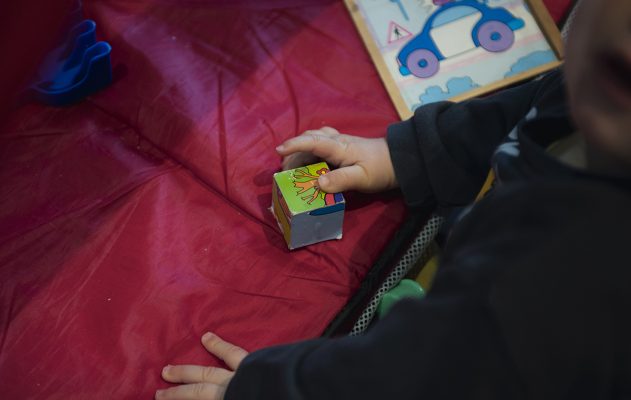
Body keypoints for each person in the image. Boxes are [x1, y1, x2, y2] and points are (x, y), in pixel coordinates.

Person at [155, 0, 631, 398]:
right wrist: (402, 156)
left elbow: (408, 377)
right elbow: (524, 108)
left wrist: (261, 391)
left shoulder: (563, 283)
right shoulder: (594, 85)